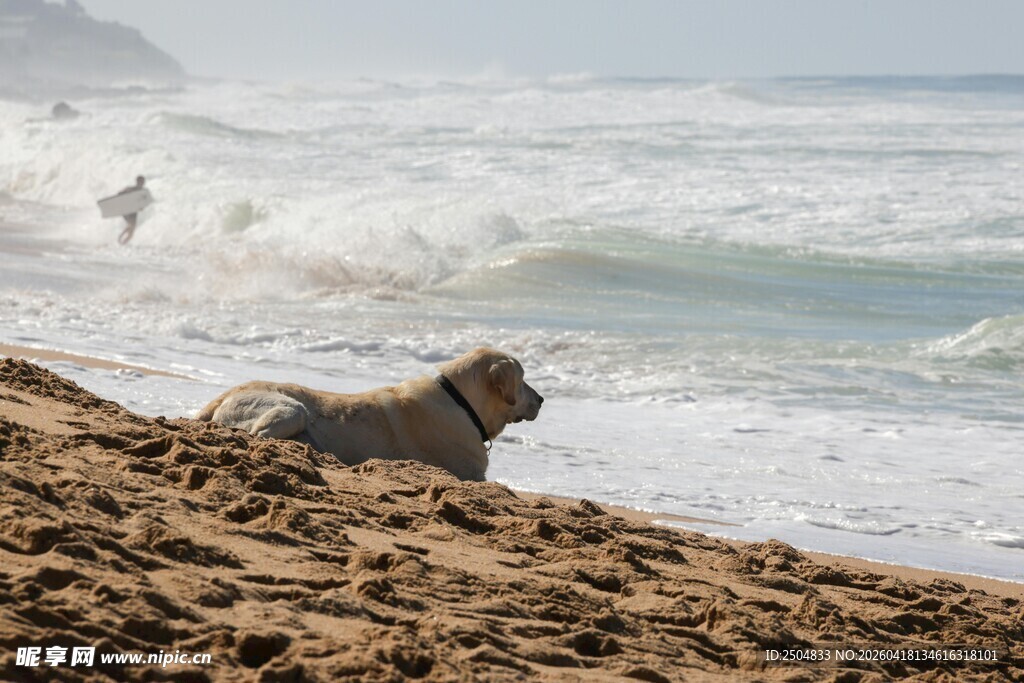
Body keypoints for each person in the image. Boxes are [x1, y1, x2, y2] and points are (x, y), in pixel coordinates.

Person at [117, 176, 145, 245]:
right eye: (141, 181)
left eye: (143, 181)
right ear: (137, 182)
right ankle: (120, 239)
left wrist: (141, 207)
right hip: (128, 211)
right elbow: (120, 193)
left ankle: (123, 242)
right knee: (131, 226)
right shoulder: (133, 189)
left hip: (133, 211)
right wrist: (125, 191)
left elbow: (141, 203)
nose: (142, 183)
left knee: (132, 231)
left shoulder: (142, 191)